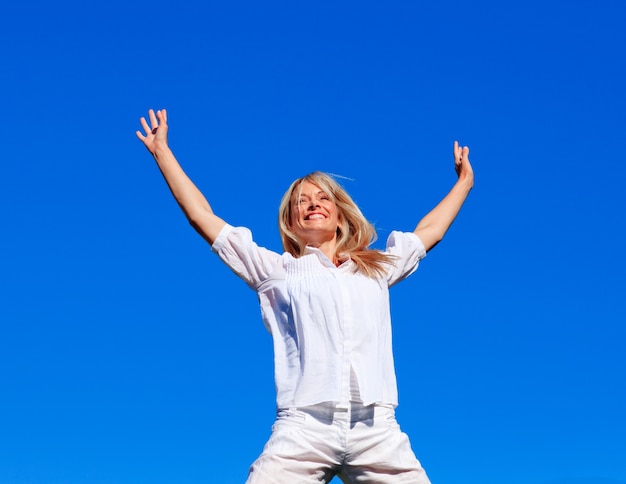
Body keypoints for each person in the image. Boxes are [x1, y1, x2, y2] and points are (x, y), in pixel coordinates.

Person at [136, 108, 474, 483]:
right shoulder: (277, 270)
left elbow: (431, 230)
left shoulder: (375, 268)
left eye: (322, 198)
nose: (312, 203)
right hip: (303, 428)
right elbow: (203, 216)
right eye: (301, 201)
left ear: (340, 216)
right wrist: (162, 152)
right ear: (291, 222)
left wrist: (463, 184)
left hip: (377, 427)